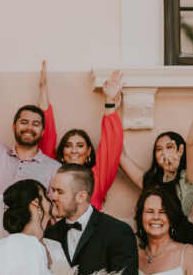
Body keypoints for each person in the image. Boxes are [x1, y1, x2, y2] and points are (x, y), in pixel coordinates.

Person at [0, 34, 61, 252]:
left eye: (36, 123)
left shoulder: (54, 169)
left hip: (28, 251)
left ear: (43, 130)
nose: (29, 127)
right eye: (24, 122)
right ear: (14, 126)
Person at [120, 78, 193, 216]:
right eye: (159, 149)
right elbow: (120, 157)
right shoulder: (149, 180)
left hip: (178, 236)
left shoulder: (190, 178)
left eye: (169, 147)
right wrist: (110, 108)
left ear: (180, 151)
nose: (164, 153)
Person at [37, 61, 126, 210]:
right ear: (62, 151)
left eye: (80, 146)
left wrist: (109, 102)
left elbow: (111, 147)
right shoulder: (52, 172)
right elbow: (46, 138)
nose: (74, 150)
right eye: (68, 145)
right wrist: (42, 88)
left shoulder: (97, 179)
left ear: (88, 151)